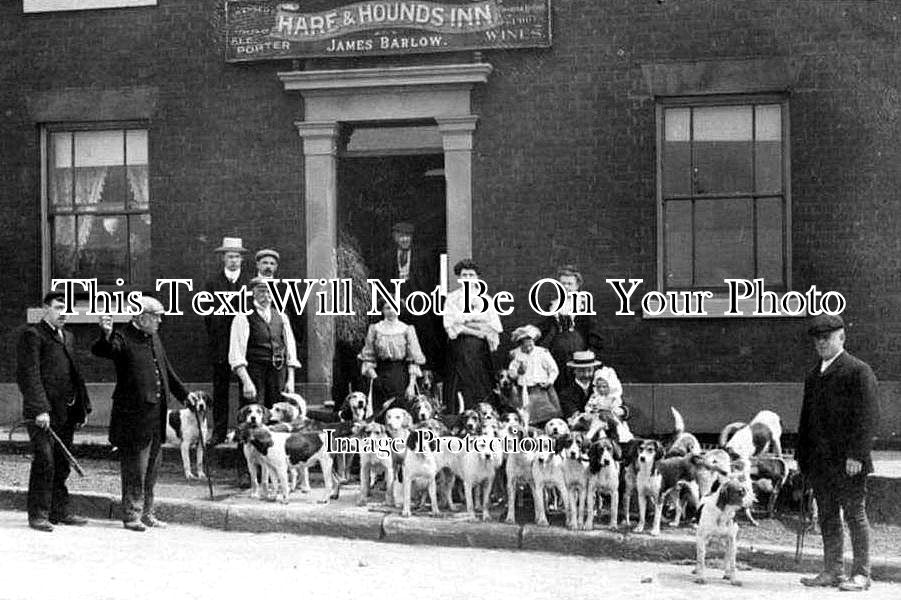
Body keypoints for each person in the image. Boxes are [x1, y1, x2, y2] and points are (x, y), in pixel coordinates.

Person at [92, 295, 199, 532]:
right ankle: (131, 515)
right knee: (134, 469)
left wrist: (185, 395)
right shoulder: (122, 337)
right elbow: (106, 350)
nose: (160, 321)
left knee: (152, 468)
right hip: (132, 417)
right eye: (157, 317)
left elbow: (166, 370)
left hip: (155, 415)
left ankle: (148, 513)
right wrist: (106, 334)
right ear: (142, 317)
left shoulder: (153, 337)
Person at [797, 314, 879, 592]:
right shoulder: (813, 374)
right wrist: (802, 458)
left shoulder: (858, 371)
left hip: (849, 463)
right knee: (828, 516)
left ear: (841, 337)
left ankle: (861, 574)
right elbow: (806, 420)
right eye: (817, 339)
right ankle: (833, 571)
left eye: (827, 338)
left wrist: (857, 454)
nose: (821, 343)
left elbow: (867, 417)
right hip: (820, 463)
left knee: (855, 514)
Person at [16, 291, 92, 532]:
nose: (63, 313)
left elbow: (75, 375)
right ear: (45, 309)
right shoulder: (33, 335)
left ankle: (59, 511)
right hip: (42, 415)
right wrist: (40, 409)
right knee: (45, 461)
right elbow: (29, 375)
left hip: (65, 413)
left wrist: (82, 408)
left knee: (62, 463)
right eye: (59, 307)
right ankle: (38, 514)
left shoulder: (67, 336)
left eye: (66, 309)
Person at [373, 221, 444, 377]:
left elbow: (430, 283)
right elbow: (380, 282)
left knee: (425, 332)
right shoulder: (386, 258)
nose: (404, 239)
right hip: (393, 303)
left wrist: (413, 300)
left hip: (418, 303)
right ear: (394, 237)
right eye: (401, 236)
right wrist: (391, 298)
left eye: (408, 236)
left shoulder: (423, 256)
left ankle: (425, 373)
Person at [229, 276, 301, 409]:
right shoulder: (243, 317)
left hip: (278, 374)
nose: (266, 295)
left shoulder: (281, 317)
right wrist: (246, 382)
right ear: (253, 293)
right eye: (261, 291)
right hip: (254, 375)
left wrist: (290, 380)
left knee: (278, 415)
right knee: (254, 416)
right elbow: (236, 354)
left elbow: (290, 350)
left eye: (269, 292)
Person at [442, 259, 503, 413]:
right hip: (461, 347)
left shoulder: (486, 299)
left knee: (481, 381)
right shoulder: (452, 298)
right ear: (459, 278)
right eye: (464, 275)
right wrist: (477, 328)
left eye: (471, 275)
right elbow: (452, 325)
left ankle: (483, 414)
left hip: (480, 349)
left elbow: (493, 325)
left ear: (477, 277)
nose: (468, 278)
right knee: (461, 382)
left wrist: (470, 323)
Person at [203, 236, 248, 446]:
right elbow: (207, 314)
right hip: (220, 345)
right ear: (223, 258)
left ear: (242, 259)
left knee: (245, 389)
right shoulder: (212, 283)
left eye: (237, 257)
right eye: (230, 256)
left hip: (244, 345)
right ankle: (219, 432)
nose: (233, 261)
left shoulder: (248, 282)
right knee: (220, 390)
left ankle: (242, 432)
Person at [538, 265, 602, 393]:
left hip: (578, 349)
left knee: (577, 379)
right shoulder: (552, 305)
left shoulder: (584, 305)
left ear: (577, 286)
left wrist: (591, 350)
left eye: (569, 284)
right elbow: (545, 328)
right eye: (563, 284)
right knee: (559, 379)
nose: (566, 287)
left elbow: (592, 329)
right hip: (557, 350)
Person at [358, 300, 426, 419]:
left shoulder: (407, 329)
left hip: (401, 377)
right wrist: (375, 379)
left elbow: (413, 359)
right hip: (381, 376)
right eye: (387, 308)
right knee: (381, 414)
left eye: (394, 307)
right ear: (382, 310)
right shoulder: (375, 329)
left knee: (402, 414)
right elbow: (368, 356)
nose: (391, 311)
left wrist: (411, 385)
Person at [506, 325, 560, 426]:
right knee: (526, 418)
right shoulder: (516, 355)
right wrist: (518, 372)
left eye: (531, 344)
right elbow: (511, 373)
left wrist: (550, 381)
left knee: (547, 417)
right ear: (521, 344)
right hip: (524, 391)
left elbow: (554, 370)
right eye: (525, 346)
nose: (529, 348)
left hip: (541, 390)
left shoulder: (542, 352)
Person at [558, 350, 602, 420]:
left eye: (589, 370)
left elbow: (619, 404)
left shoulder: (601, 387)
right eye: (582, 371)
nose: (586, 375)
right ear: (574, 370)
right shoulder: (566, 394)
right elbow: (574, 416)